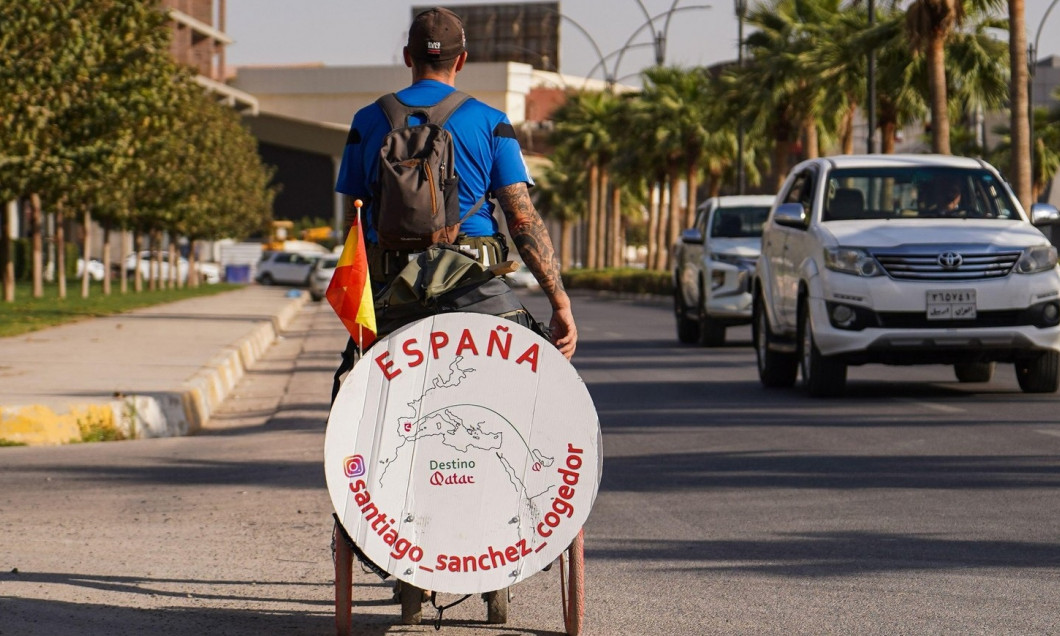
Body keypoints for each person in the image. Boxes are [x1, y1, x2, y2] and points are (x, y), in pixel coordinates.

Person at [335, 6, 576, 360]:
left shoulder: (366, 121)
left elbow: (352, 220)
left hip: (393, 292)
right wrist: (560, 302)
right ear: (461, 60)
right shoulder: (492, 122)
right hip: (477, 290)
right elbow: (523, 219)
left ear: (407, 57)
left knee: (361, 398)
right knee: (520, 393)